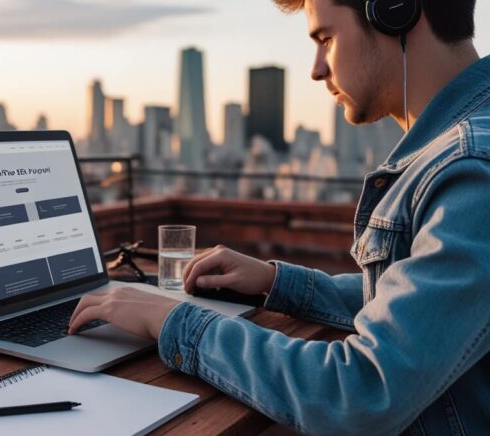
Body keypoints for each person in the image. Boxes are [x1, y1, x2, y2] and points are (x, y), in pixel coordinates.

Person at [69, 0, 490, 433]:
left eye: (326, 39)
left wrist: (170, 320)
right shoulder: (461, 150)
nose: (316, 69)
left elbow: (360, 393)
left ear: (394, 11)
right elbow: (417, 304)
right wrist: (278, 283)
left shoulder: (472, 170)